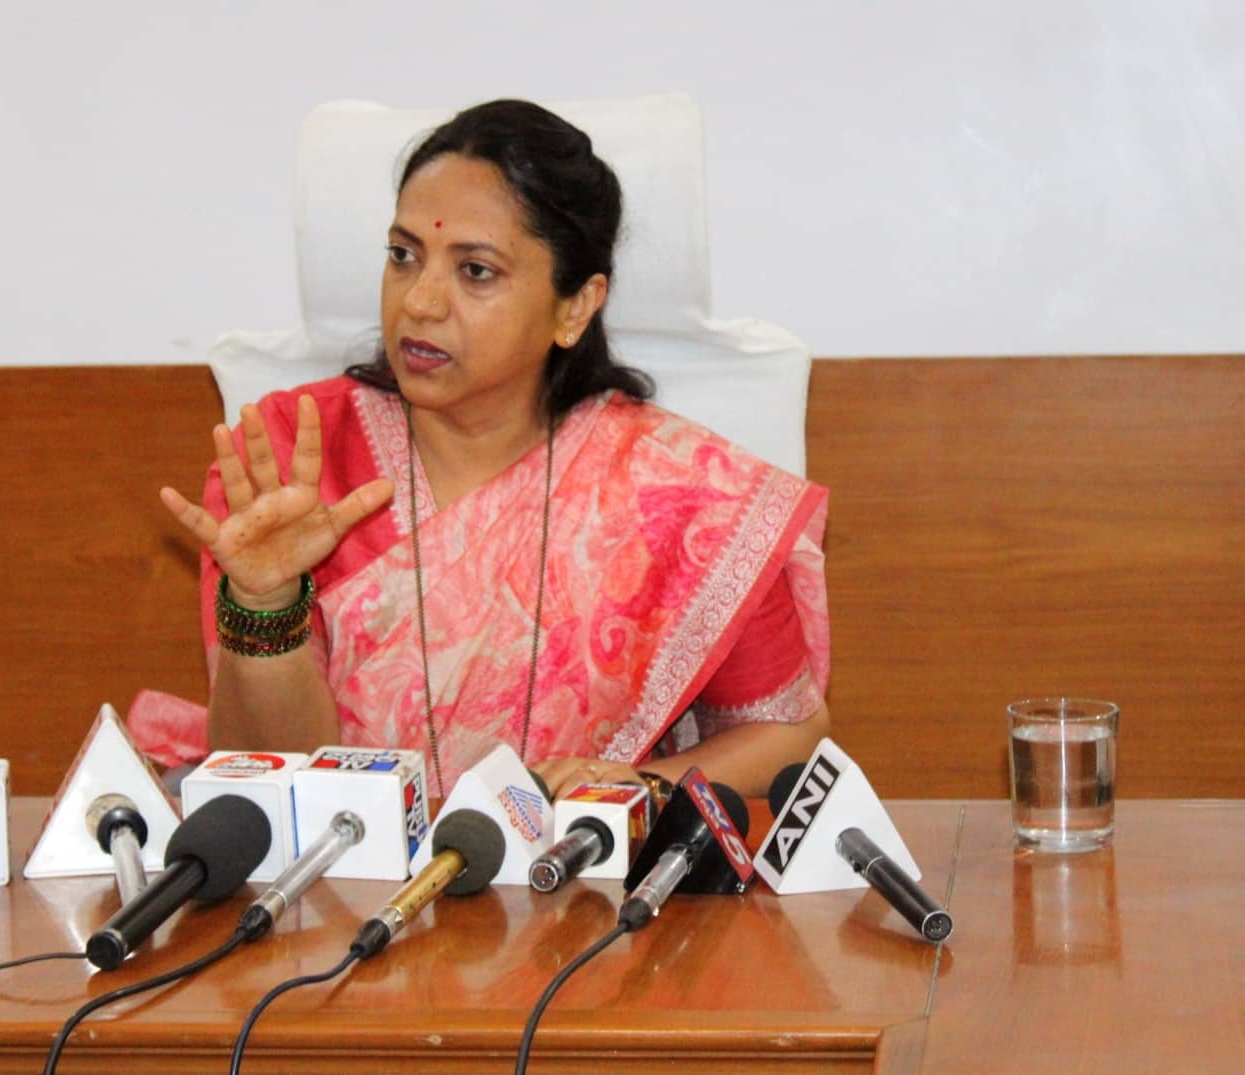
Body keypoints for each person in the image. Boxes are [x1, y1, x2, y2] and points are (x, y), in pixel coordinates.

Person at [146, 99, 830, 801]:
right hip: (347, 860)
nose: (420, 302)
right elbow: (266, 776)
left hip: (578, 863)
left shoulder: (681, 492)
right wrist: (266, 604)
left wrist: (628, 788)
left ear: (574, 306)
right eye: (403, 256)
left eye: (475, 271)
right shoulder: (294, 459)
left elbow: (788, 733)